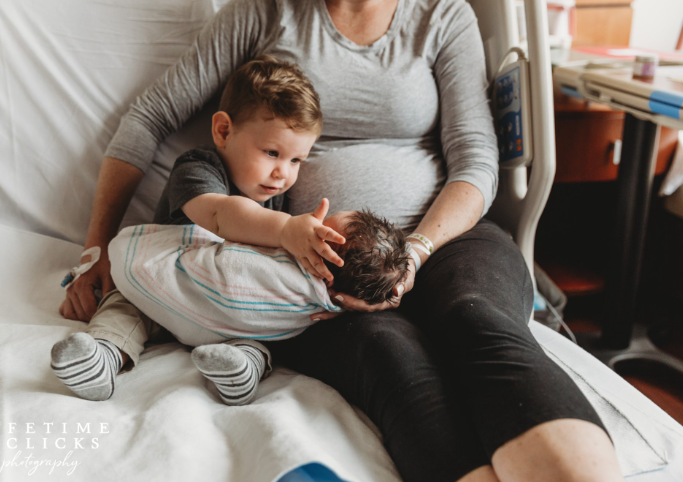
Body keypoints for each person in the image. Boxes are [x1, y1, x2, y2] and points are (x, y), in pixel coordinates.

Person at [60, 1, 625, 481]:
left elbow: (476, 162)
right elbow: (151, 115)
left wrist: (418, 250)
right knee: (391, 356)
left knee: (475, 319)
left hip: (449, 242)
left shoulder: (441, 16)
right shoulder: (266, 11)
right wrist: (95, 248)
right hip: (317, 273)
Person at [52, 55, 410, 406]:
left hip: (229, 315)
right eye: (272, 152)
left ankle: (242, 369)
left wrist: (330, 297)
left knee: (261, 330)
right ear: (223, 130)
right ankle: (103, 358)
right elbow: (222, 216)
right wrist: (286, 230)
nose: (282, 173)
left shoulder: (277, 200)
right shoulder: (198, 168)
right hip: (160, 291)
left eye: (296, 160)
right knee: (122, 306)